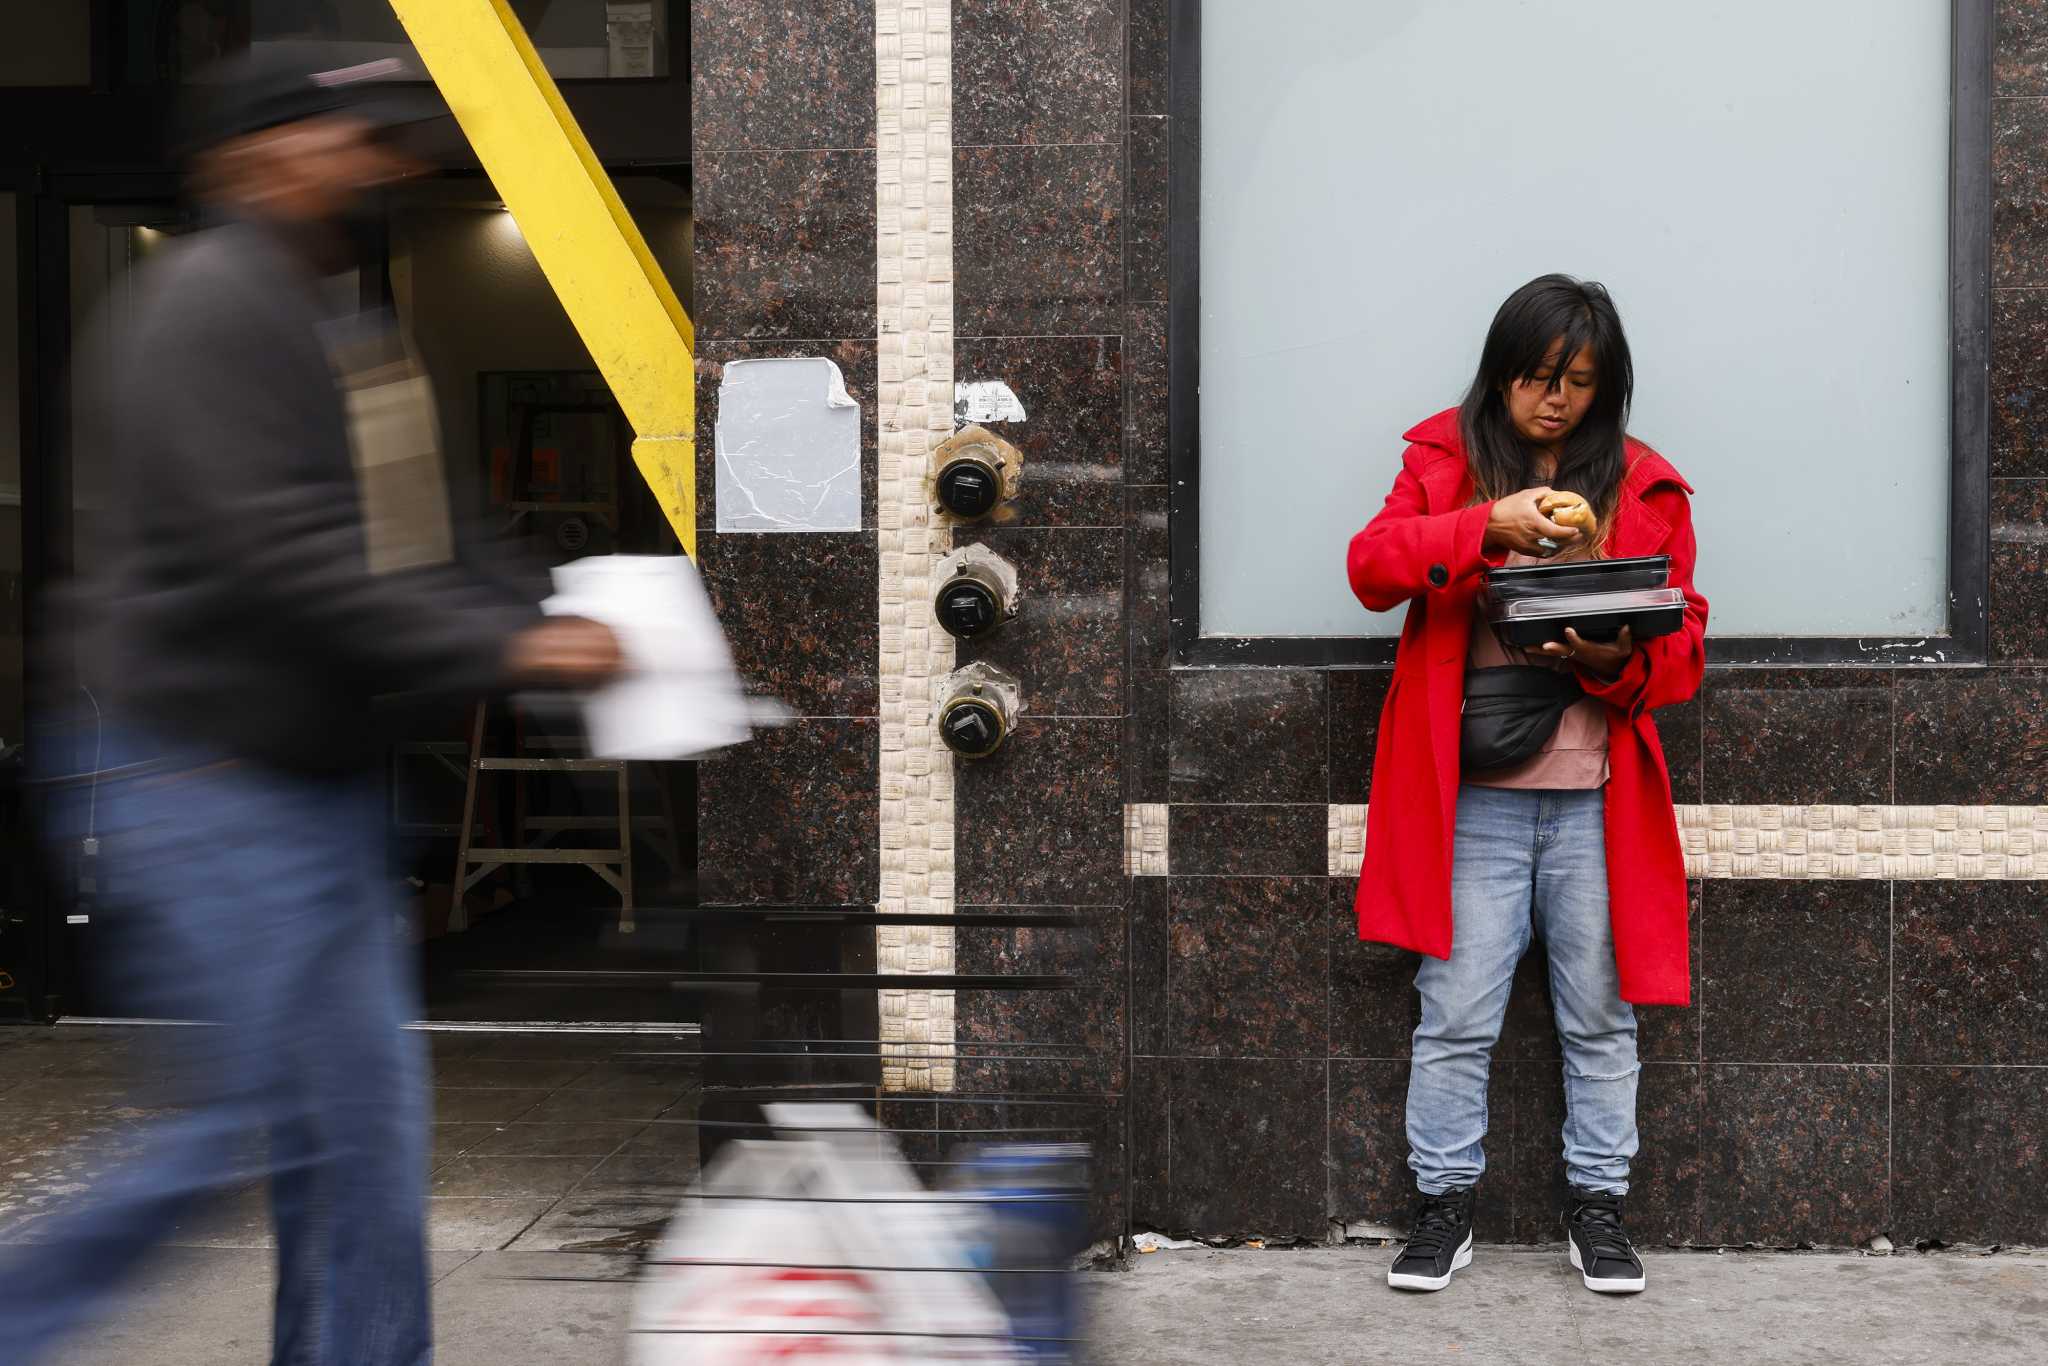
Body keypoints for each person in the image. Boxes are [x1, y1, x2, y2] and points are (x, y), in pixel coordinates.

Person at [0, 52, 622, 1363]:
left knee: (362, 1138)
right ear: (256, 156)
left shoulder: (352, 337)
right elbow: (285, 568)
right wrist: (524, 641)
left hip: (317, 795)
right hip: (201, 779)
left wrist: (560, 611)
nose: (375, 163)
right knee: (222, 1127)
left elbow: (436, 543)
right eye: (346, 137)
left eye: (380, 141)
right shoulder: (204, 310)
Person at [1345, 275, 1706, 1296]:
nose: (1556, 399)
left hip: (1598, 797)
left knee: (1599, 1014)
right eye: (1540, 377)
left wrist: (1602, 650)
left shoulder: (1642, 484)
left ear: (1606, 387)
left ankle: (1598, 1209)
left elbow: (1682, 654)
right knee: (1453, 1012)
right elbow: (1370, 568)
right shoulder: (1442, 461)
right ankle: (1440, 1209)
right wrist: (1482, 527)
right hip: (1474, 800)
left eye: (1580, 382)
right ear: (1502, 370)